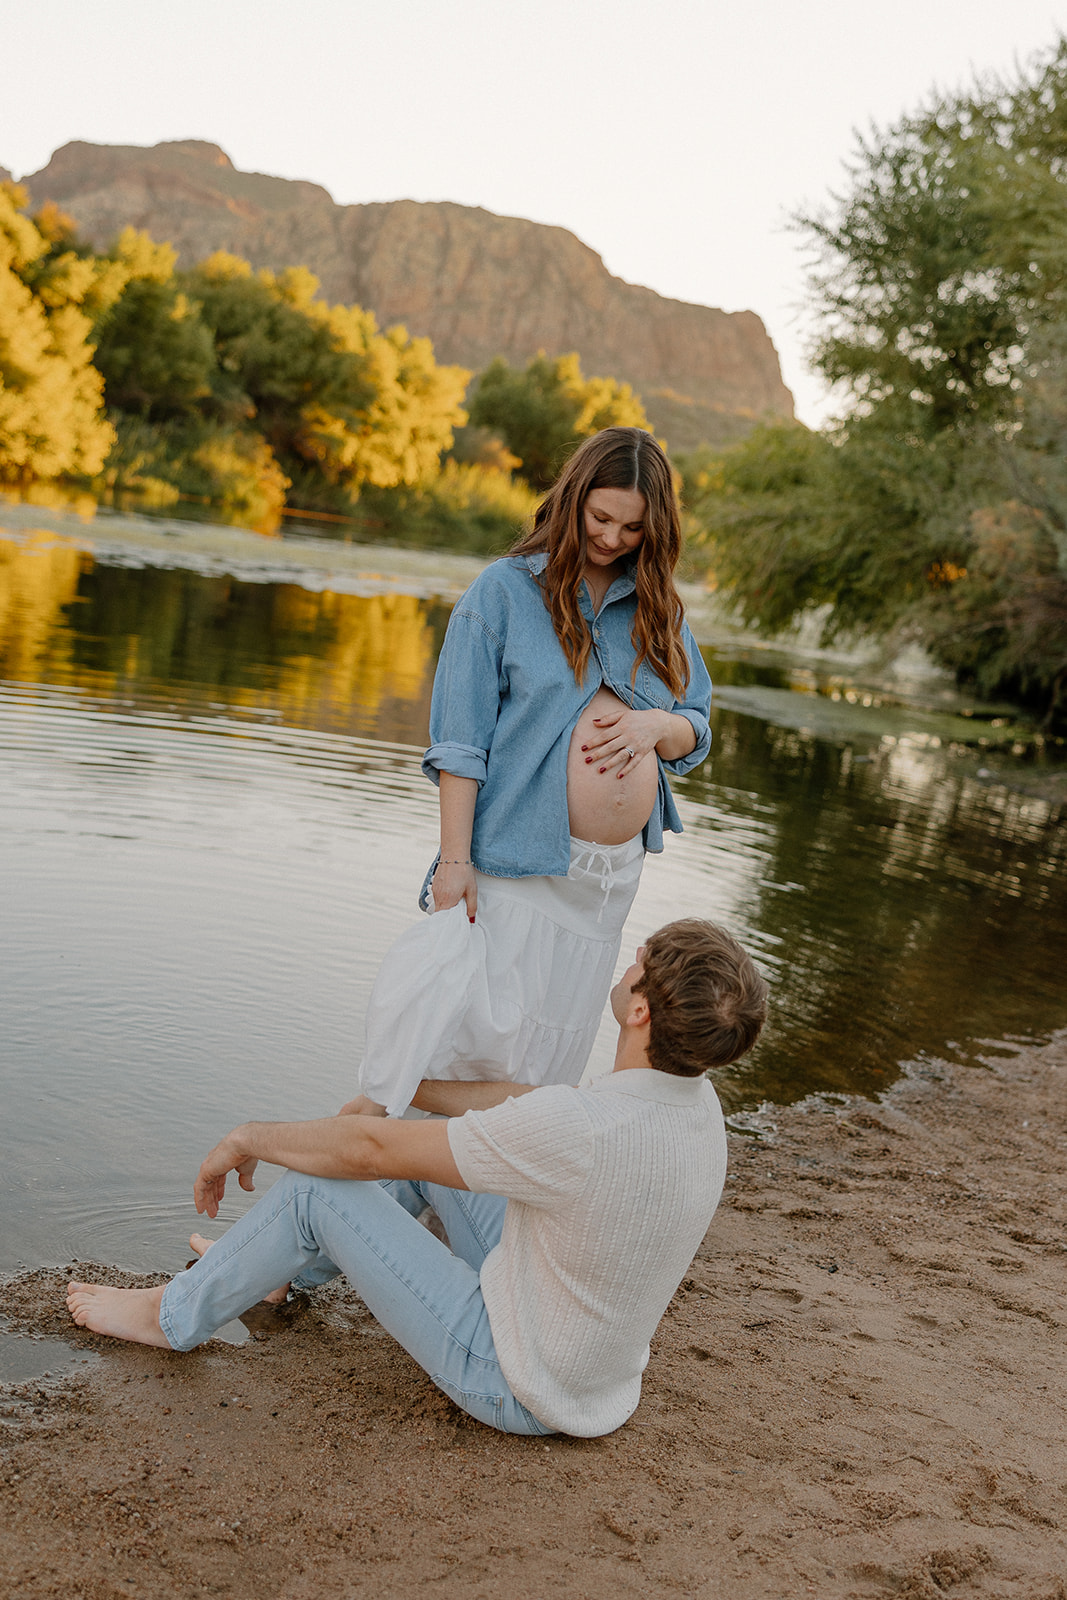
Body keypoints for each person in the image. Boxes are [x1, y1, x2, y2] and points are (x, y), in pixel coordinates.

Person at [67, 918, 767, 1439]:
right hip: (590, 1375)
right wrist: (405, 1085)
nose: (630, 953)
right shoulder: (693, 1105)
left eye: (640, 957)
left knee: (319, 1189)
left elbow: (370, 1152)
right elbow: (523, 1110)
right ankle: (276, 1274)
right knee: (435, 1153)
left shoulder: (580, 1130)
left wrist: (250, 1137)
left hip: (514, 1383)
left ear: (639, 1010)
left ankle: (172, 1317)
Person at [358, 427, 713, 1116]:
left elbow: (695, 726)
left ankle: (478, 1215)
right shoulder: (503, 593)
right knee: (462, 1055)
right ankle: (353, 1199)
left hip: (605, 884)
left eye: (632, 528)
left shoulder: (659, 610)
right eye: (599, 518)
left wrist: (653, 725)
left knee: (549, 1060)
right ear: (572, 498)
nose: (611, 538)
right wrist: (453, 861)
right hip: (514, 862)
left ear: (656, 529)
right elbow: (460, 745)